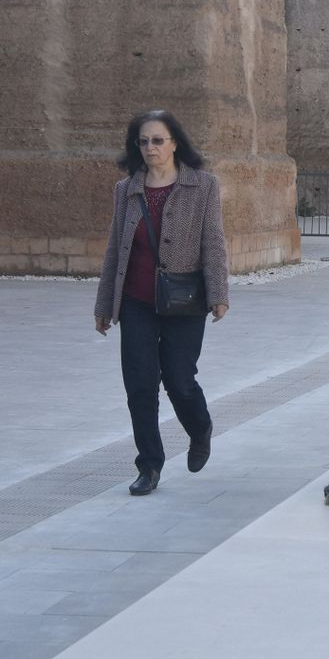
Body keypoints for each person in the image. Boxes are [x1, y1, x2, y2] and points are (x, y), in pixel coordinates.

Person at [94, 110, 229, 497]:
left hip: (183, 299)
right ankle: (149, 465)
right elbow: (113, 249)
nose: (150, 148)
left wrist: (218, 294)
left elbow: (213, 242)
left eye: (157, 140)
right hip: (136, 300)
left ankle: (199, 428)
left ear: (174, 143)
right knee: (139, 386)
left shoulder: (203, 186)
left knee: (180, 381)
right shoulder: (127, 190)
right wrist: (105, 303)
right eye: (143, 141)